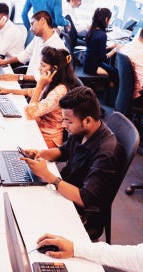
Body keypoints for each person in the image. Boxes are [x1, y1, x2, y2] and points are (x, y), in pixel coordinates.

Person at [20, 86, 125, 237]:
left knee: (26, 216)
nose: (64, 125)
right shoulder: (82, 129)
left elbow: (86, 200)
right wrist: (40, 153)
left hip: (81, 214)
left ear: (88, 120)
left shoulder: (106, 153)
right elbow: (64, 151)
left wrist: (48, 176)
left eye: (68, 121)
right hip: (66, 190)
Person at [0, 47, 80, 147]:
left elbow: (30, 113)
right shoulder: (53, 81)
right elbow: (32, 92)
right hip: (37, 127)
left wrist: (39, 85)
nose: (39, 68)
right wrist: (8, 91)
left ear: (54, 69)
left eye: (43, 66)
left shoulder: (59, 91)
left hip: (48, 138)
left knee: (9, 140)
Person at [0, 11, 67, 83]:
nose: (30, 29)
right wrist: (4, 62)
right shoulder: (38, 38)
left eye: (32, 24)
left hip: (37, 85)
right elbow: (25, 55)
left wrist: (18, 77)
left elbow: (44, 78)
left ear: (42, 21)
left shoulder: (57, 46)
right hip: (26, 79)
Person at [83, 8, 119, 86]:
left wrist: (110, 47)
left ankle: (104, 88)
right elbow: (103, 58)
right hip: (93, 67)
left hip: (87, 63)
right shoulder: (102, 35)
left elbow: (95, 49)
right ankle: (107, 92)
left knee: (113, 71)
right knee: (116, 74)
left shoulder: (92, 30)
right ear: (106, 19)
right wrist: (114, 50)